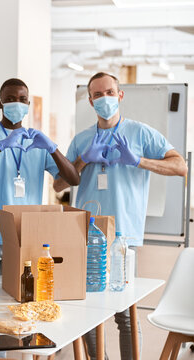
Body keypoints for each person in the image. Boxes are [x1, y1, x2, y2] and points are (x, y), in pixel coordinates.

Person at [53, 72, 187, 360]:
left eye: (109, 92)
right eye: (98, 95)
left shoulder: (141, 133)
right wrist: (83, 160)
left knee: (125, 313)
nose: (104, 99)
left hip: (124, 236)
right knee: (86, 311)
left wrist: (138, 160)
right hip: (85, 235)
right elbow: (59, 184)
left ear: (120, 95)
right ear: (89, 100)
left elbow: (180, 166)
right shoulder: (82, 139)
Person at [0, 78, 80, 280]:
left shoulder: (37, 141)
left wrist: (53, 149)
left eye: (22, 99)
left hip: (27, 236)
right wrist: (1, 146)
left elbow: (73, 179)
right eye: (9, 99)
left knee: (23, 298)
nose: (16, 103)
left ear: (28, 105)